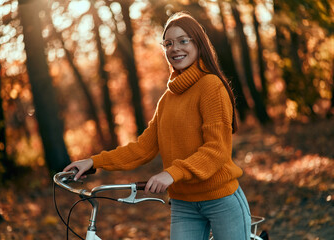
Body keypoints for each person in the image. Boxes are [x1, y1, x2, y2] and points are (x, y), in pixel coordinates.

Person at [64, 11, 251, 240]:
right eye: (168, 43)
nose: (175, 48)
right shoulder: (167, 99)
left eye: (183, 41)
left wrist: (171, 174)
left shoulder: (211, 86)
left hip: (220, 199)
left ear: (199, 43)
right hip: (184, 204)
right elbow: (142, 148)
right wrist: (94, 161)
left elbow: (216, 151)